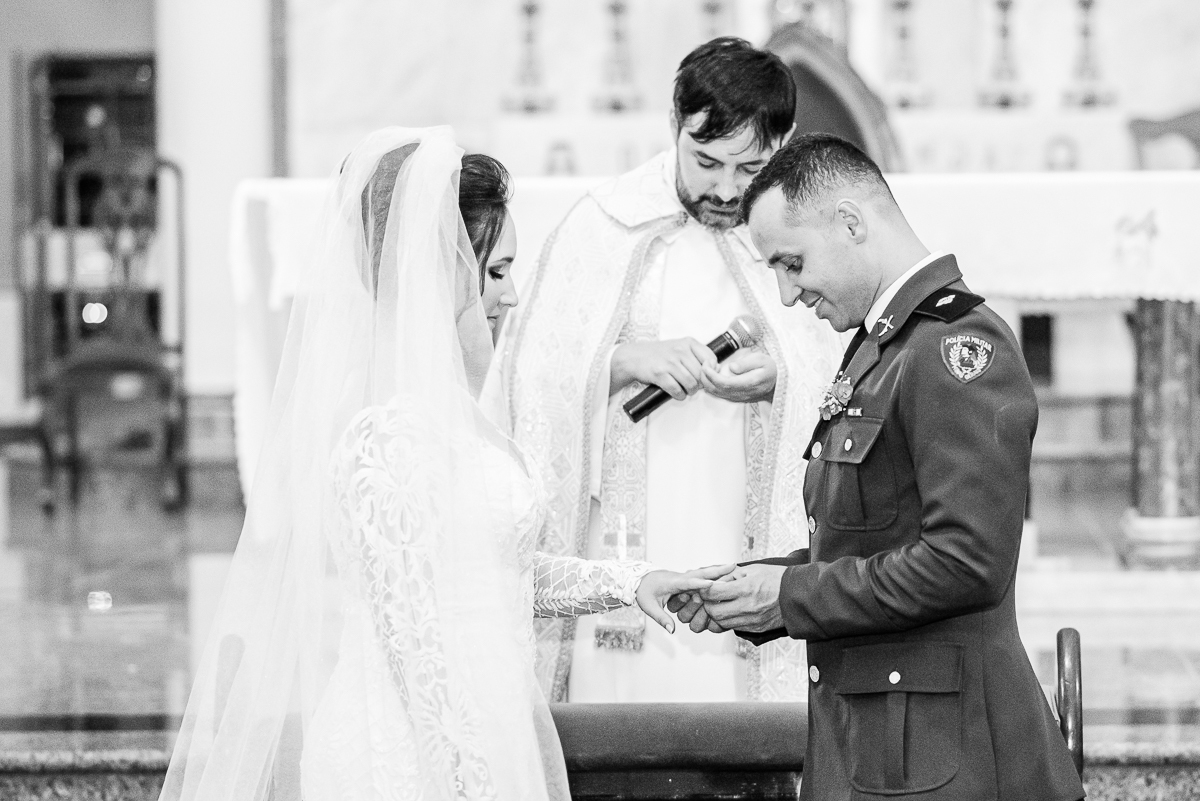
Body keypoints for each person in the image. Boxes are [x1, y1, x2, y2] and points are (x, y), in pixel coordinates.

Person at [159, 127, 716, 801]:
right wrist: (470, 782)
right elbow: (414, 652)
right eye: (498, 271)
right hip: (407, 756)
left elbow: (492, 577)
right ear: (442, 267)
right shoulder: (387, 435)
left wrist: (632, 582)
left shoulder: (450, 412)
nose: (510, 296)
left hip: (482, 728)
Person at [671, 133, 1085, 800]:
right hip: (889, 747)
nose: (785, 292)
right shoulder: (883, 344)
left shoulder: (955, 346)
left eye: (792, 262)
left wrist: (790, 594)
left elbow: (965, 562)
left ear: (851, 223)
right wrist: (758, 586)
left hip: (949, 759)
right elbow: (872, 535)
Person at [492, 37, 842, 704]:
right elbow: (526, 369)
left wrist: (781, 380)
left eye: (750, 167)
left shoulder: (803, 231)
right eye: (705, 160)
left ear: (786, 142)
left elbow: (844, 366)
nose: (724, 188)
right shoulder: (606, 223)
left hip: (743, 512)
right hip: (628, 533)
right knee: (626, 701)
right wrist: (622, 359)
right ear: (673, 127)